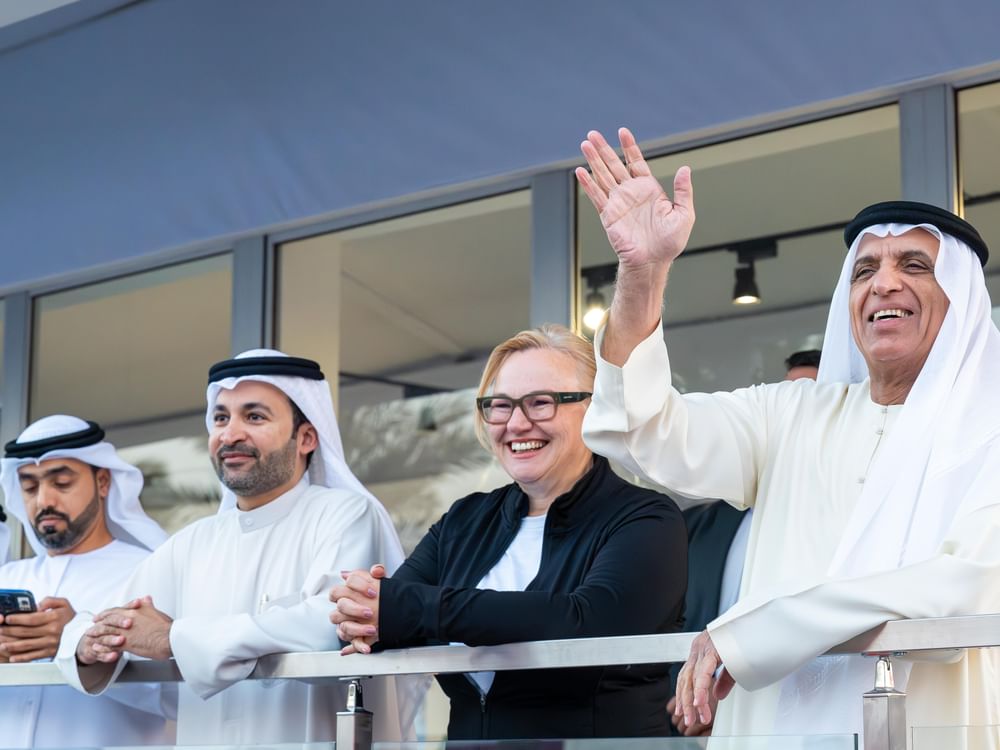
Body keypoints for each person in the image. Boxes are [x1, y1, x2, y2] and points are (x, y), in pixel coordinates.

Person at [576, 128, 1000, 740]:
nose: (883, 284)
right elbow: (644, 431)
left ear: (961, 301)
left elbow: (963, 587)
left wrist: (756, 634)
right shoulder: (791, 414)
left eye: (915, 265)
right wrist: (644, 273)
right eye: (864, 271)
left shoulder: (989, 433)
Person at [331, 325, 687, 740]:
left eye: (541, 403)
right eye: (500, 406)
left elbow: (586, 622)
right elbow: (384, 621)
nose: (517, 424)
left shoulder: (645, 519)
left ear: (595, 408)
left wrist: (410, 608)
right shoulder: (465, 520)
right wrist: (359, 612)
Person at [56, 350, 415, 744]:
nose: (229, 435)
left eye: (254, 417)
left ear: (306, 438)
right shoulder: (193, 542)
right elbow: (105, 620)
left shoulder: (346, 514)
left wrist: (174, 637)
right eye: (221, 418)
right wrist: (89, 642)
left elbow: (334, 627)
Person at [668, 348, 822, 736]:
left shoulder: (848, 523)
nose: (792, 416)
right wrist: (685, 699)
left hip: (802, 723)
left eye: (809, 402)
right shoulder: (697, 526)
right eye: (785, 401)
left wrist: (730, 702)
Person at [0, 415, 170, 748]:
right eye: (30, 487)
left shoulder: (151, 570)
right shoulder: (8, 576)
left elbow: (181, 692)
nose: (44, 501)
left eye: (62, 483)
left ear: (103, 482)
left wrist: (74, 642)